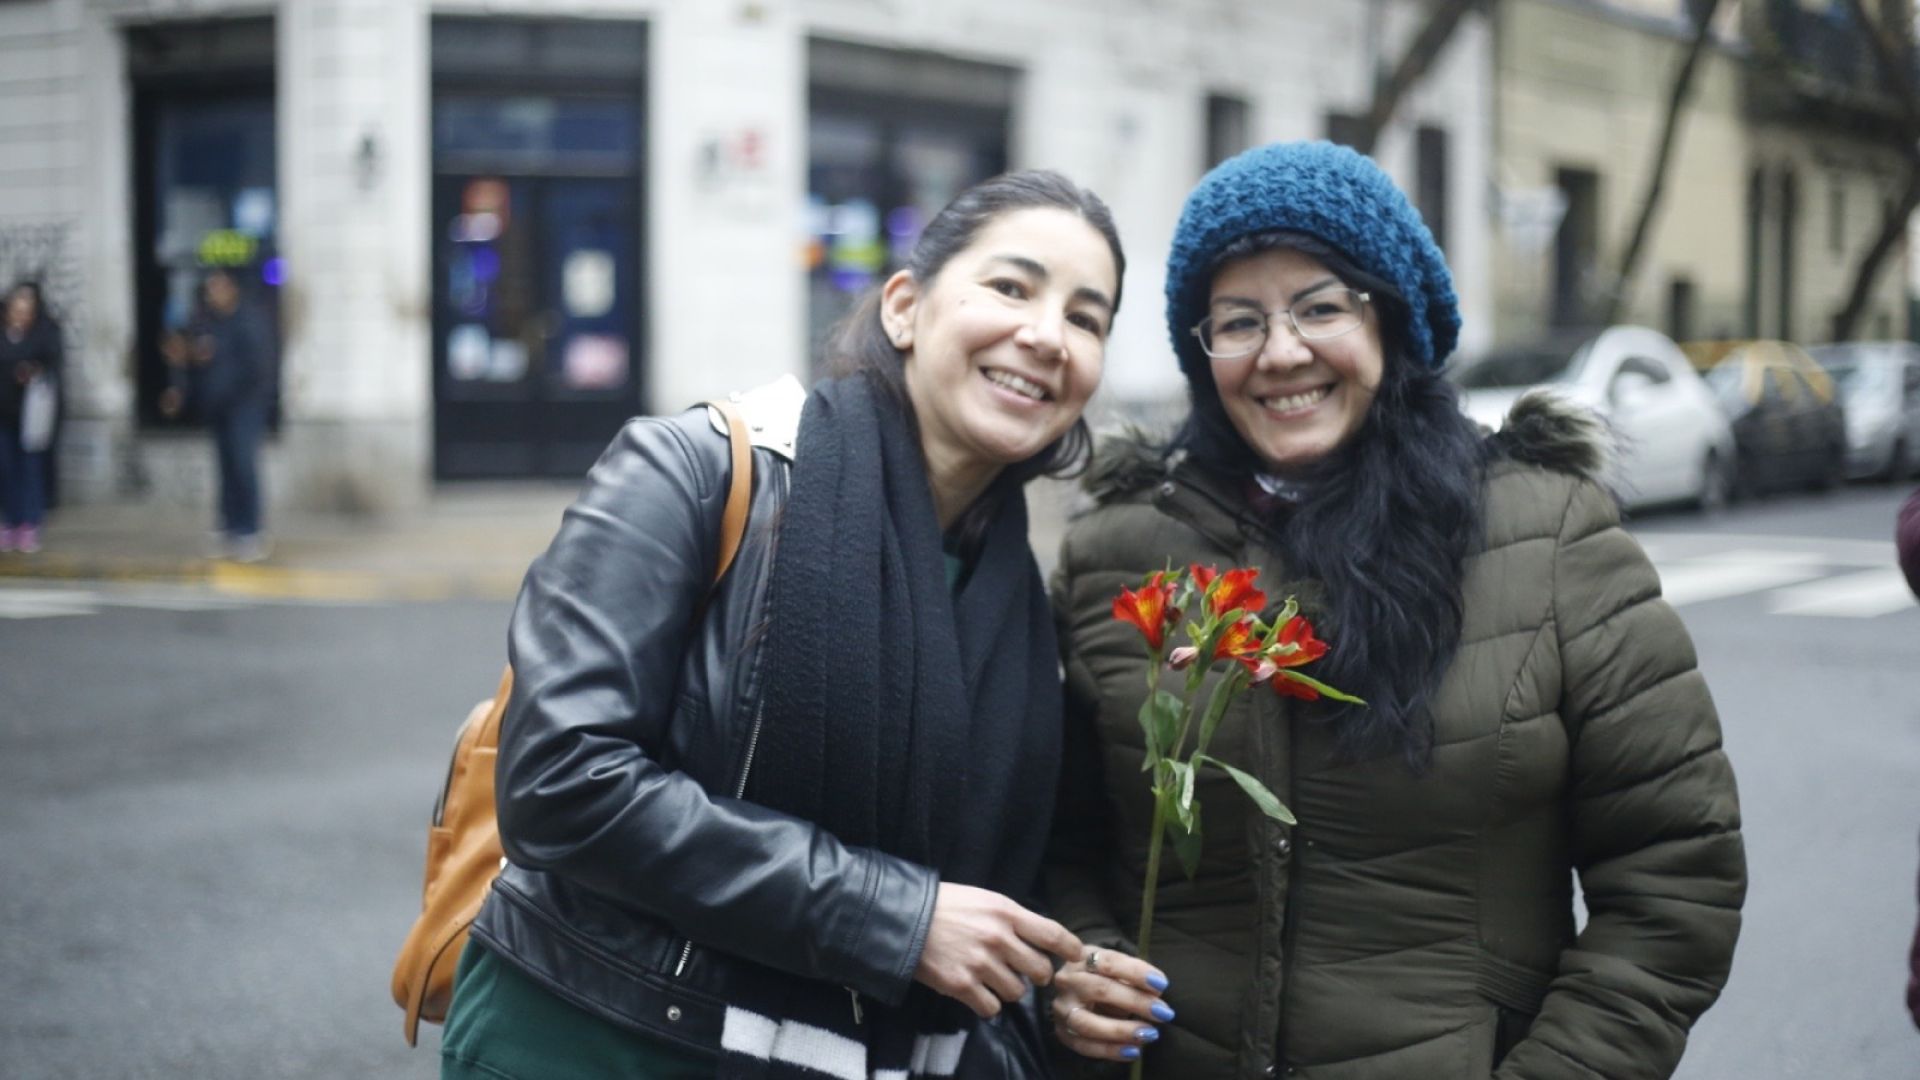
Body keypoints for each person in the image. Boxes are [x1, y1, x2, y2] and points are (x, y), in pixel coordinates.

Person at [1044, 142, 1747, 1078]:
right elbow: (1054, 840)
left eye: (1321, 307)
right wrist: (1079, 961)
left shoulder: (1548, 534)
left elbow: (1674, 875)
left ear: (1393, 319)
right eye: (1239, 321)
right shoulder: (1116, 552)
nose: (1282, 352)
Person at [443, 171, 1134, 1080]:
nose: (1047, 335)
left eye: (1086, 318)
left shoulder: (1014, 600)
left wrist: (1057, 979)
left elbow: (990, 867)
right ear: (904, 308)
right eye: (1011, 287)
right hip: (594, 1044)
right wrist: (898, 919)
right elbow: (560, 784)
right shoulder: (693, 473)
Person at [159, 268, 275, 562]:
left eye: (219, 287)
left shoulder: (248, 319)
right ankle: (229, 526)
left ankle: (249, 529)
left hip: (244, 406)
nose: (214, 294)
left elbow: (257, 367)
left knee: (243, 465)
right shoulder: (205, 320)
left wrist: (233, 388)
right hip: (218, 406)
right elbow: (191, 357)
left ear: (232, 288)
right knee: (225, 467)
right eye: (210, 288)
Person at [0, 282, 62, 554]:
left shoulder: (41, 337)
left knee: (30, 469)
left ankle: (30, 523)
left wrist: (32, 371)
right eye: (17, 310)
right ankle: (10, 521)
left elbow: (51, 365)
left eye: (26, 311)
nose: (21, 316)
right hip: (4, 414)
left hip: (31, 415)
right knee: (6, 469)